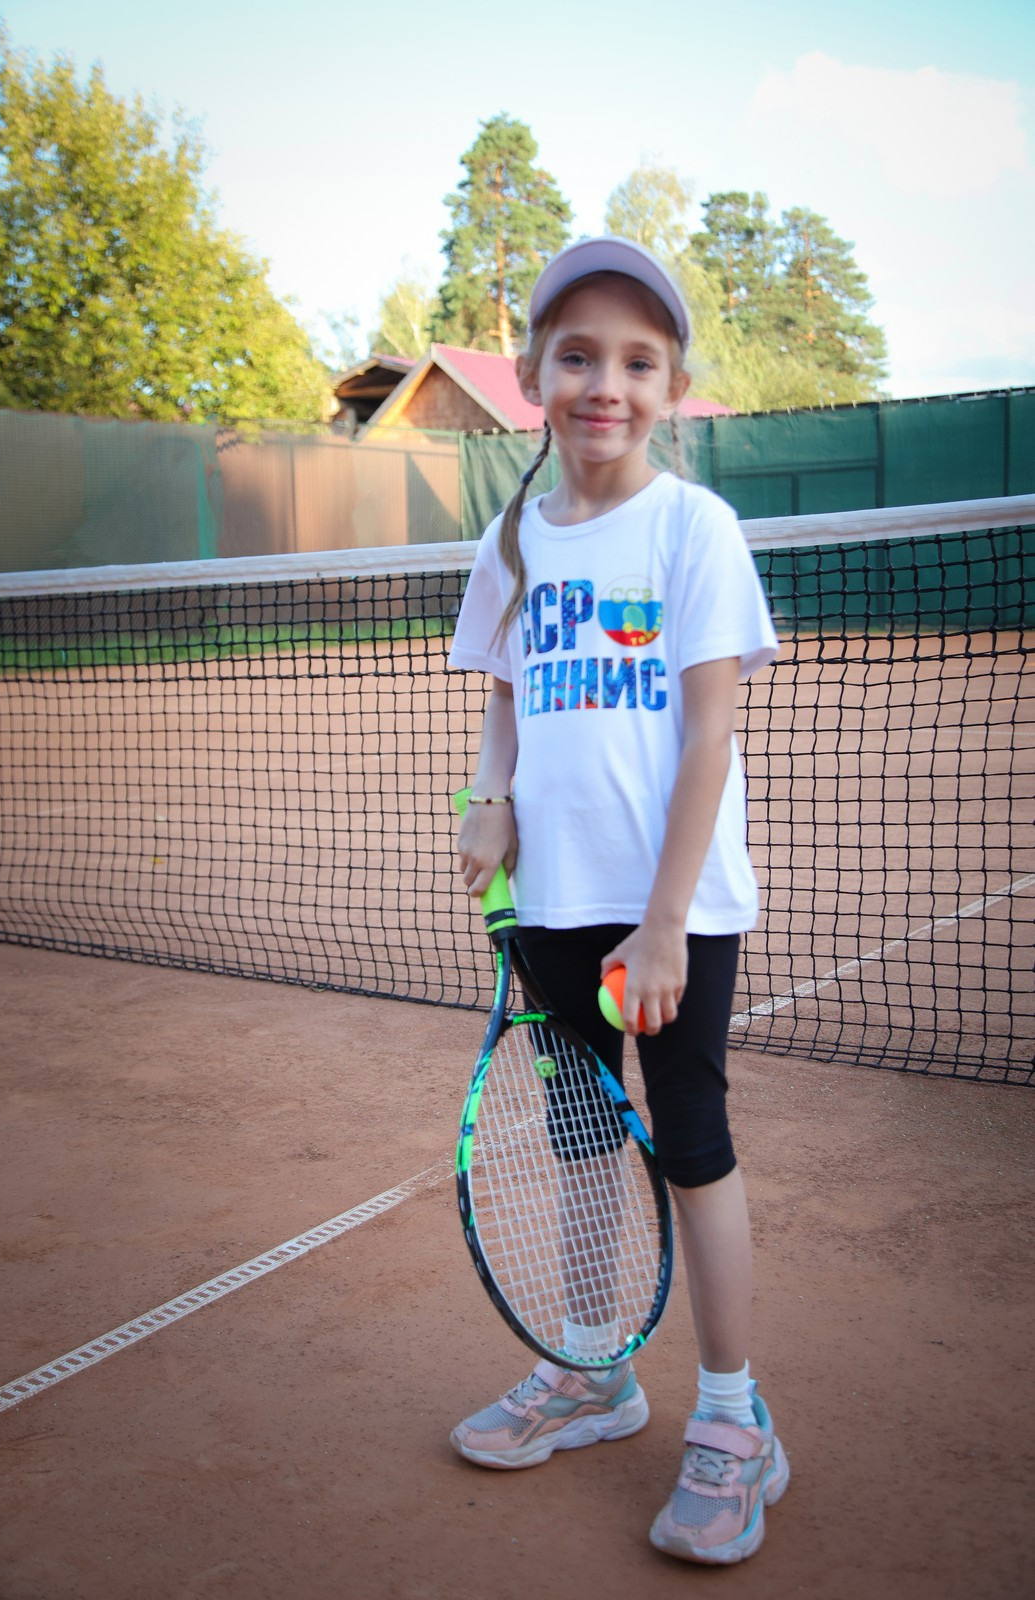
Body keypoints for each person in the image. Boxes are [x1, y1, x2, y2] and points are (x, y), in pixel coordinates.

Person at [446, 236, 788, 1566]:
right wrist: (490, 794)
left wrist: (660, 925)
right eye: (577, 355)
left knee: (691, 1143)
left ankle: (729, 1417)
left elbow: (708, 736)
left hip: (675, 914)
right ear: (533, 374)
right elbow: (504, 690)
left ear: (674, 384)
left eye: (637, 361)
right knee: (587, 1141)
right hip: (553, 897)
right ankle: (596, 1370)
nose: (606, 384)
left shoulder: (694, 526)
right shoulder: (518, 533)